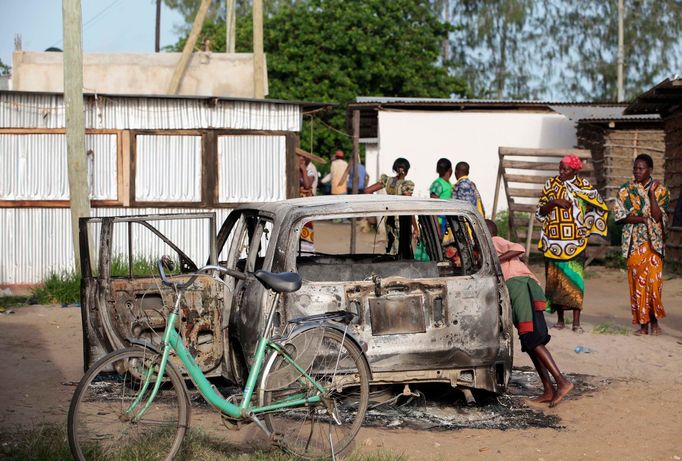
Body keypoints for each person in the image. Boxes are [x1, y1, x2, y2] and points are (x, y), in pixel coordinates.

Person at [487, 219, 573, 407]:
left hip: (519, 286)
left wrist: (495, 259)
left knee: (533, 338)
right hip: (519, 288)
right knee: (529, 341)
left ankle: (561, 381)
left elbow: (518, 248)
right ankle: (548, 389)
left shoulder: (494, 241)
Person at [536, 154, 608, 333]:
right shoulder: (550, 185)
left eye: (565, 169)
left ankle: (576, 322)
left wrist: (587, 226)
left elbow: (600, 206)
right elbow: (540, 212)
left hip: (575, 243)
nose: (561, 172)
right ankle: (560, 320)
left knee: (575, 281)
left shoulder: (584, 186)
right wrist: (554, 202)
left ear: (575, 170)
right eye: (560, 168)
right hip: (553, 243)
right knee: (556, 282)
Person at [613, 154, 669, 336]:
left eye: (641, 168)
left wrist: (652, 193)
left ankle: (654, 322)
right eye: (635, 168)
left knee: (654, 285)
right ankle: (643, 325)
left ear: (650, 170)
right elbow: (619, 217)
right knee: (638, 285)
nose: (637, 171)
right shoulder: (625, 190)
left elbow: (658, 216)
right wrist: (642, 219)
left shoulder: (661, 192)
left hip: (655, 245)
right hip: (634, 244)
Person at [365, 157, 416, 257]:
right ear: (407, 171)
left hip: (389, 218)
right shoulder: (406, 185)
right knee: (403, 247)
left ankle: (391, 263)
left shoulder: (387, 180)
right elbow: (408, 205)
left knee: (391, 242)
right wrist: (415, 226)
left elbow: (367, 191)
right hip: (403, 220)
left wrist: (380, 205)